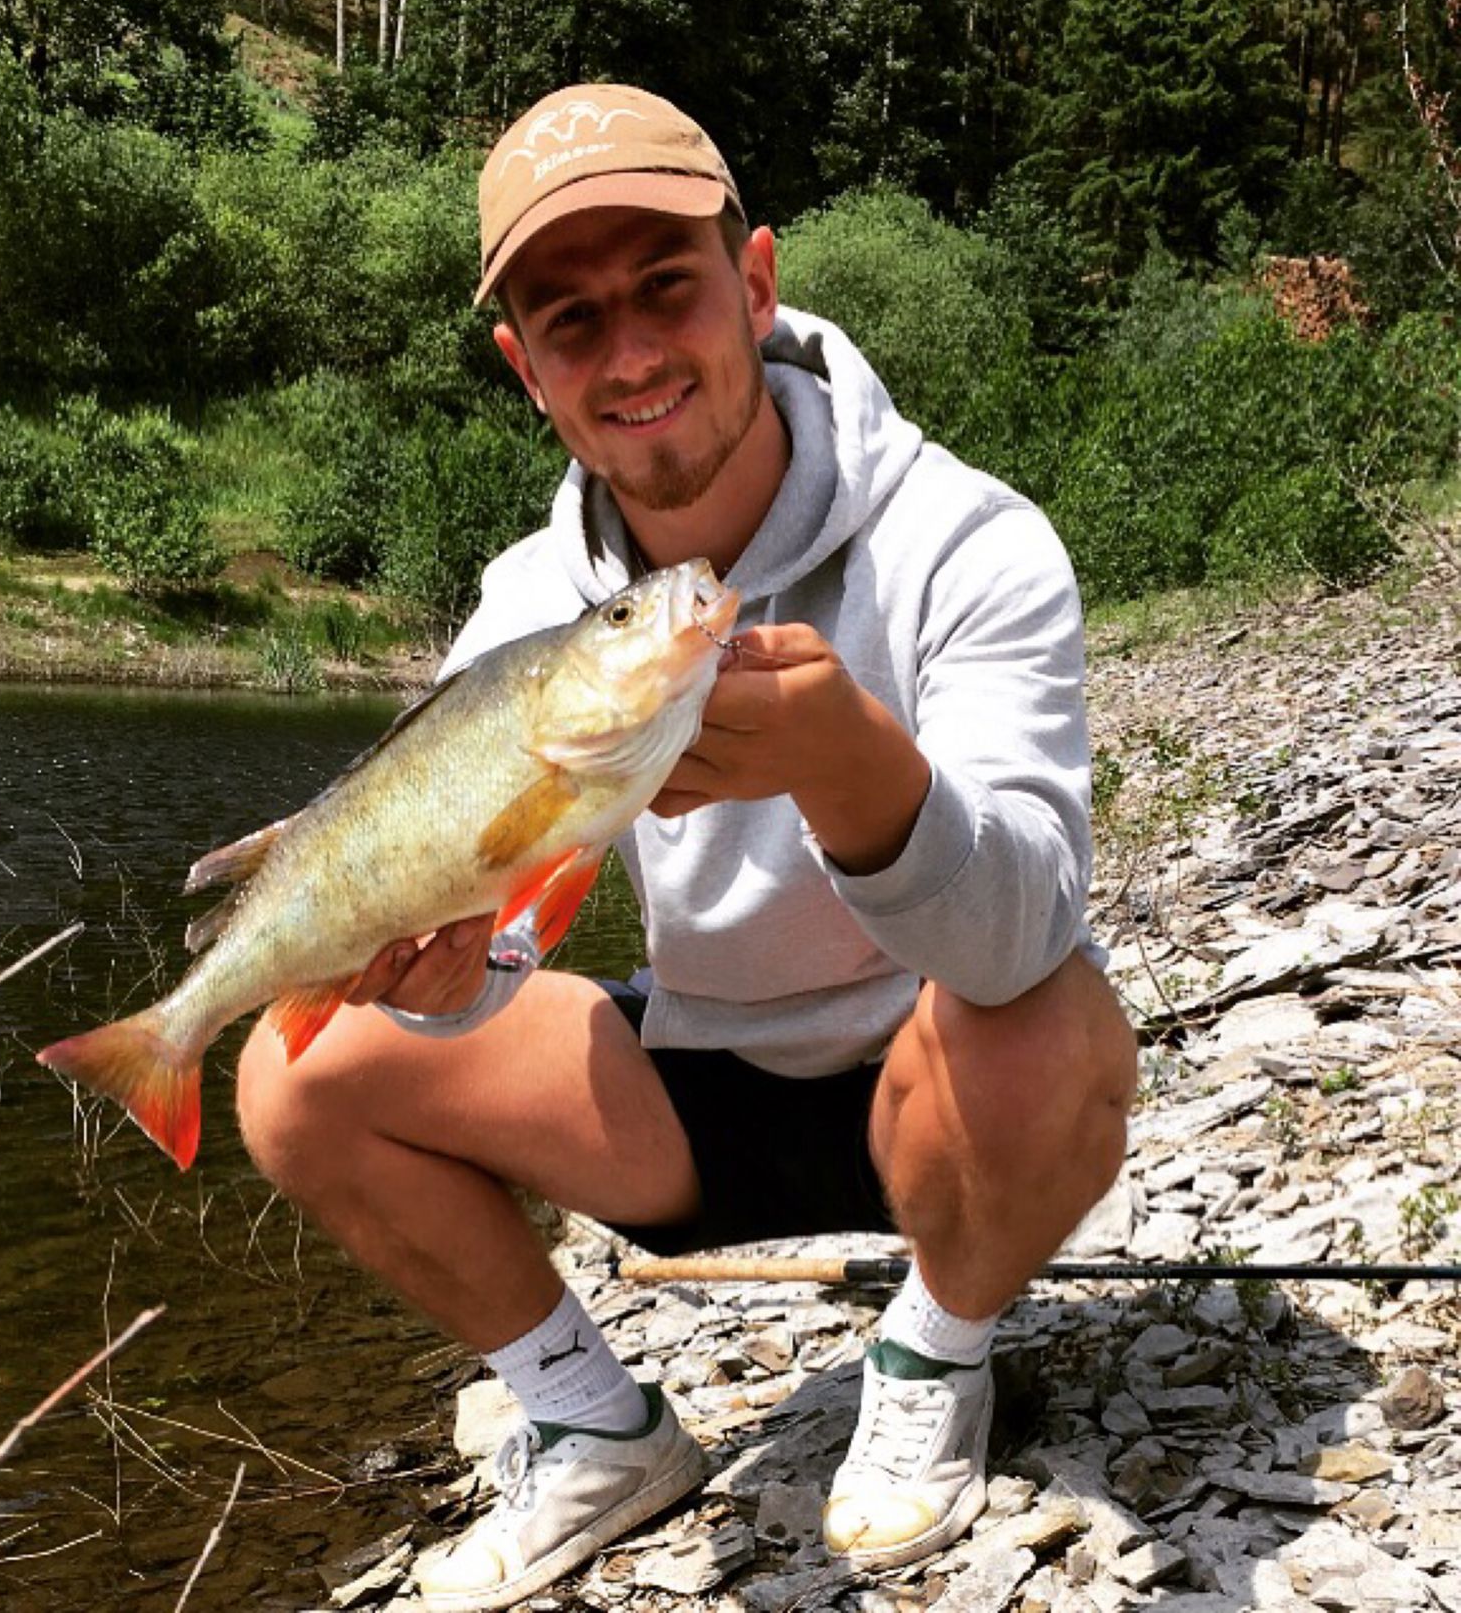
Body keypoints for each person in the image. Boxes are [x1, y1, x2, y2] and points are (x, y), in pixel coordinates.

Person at [235, 82, 1139, 1613]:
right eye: (573, 321)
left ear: (759, 281)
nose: (635, 352)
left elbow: (1025, 927)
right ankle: (599, 1429)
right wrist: (449, 970)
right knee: (295, 1066)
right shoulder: (532, 608)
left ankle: (937, 1350)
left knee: (1057, 1015)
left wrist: (864, 780)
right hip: (691, 1094)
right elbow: (505, 932)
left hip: (944, 1084)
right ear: (527, 370)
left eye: (669, 286)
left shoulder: (970, 543)